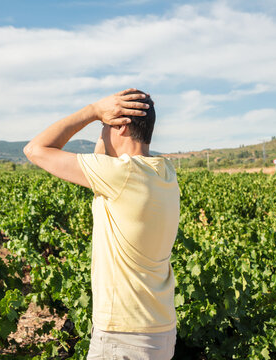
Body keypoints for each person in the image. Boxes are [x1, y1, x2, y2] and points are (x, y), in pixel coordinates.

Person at [23, 88, 180, 359]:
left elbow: (35, 149)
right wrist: (107, 123)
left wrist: (93, 111)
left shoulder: (121, 175)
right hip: (159, 331)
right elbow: (105, 155)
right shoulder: (164, 172)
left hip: (123, 337)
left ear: (121, 127)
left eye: (105, 127)